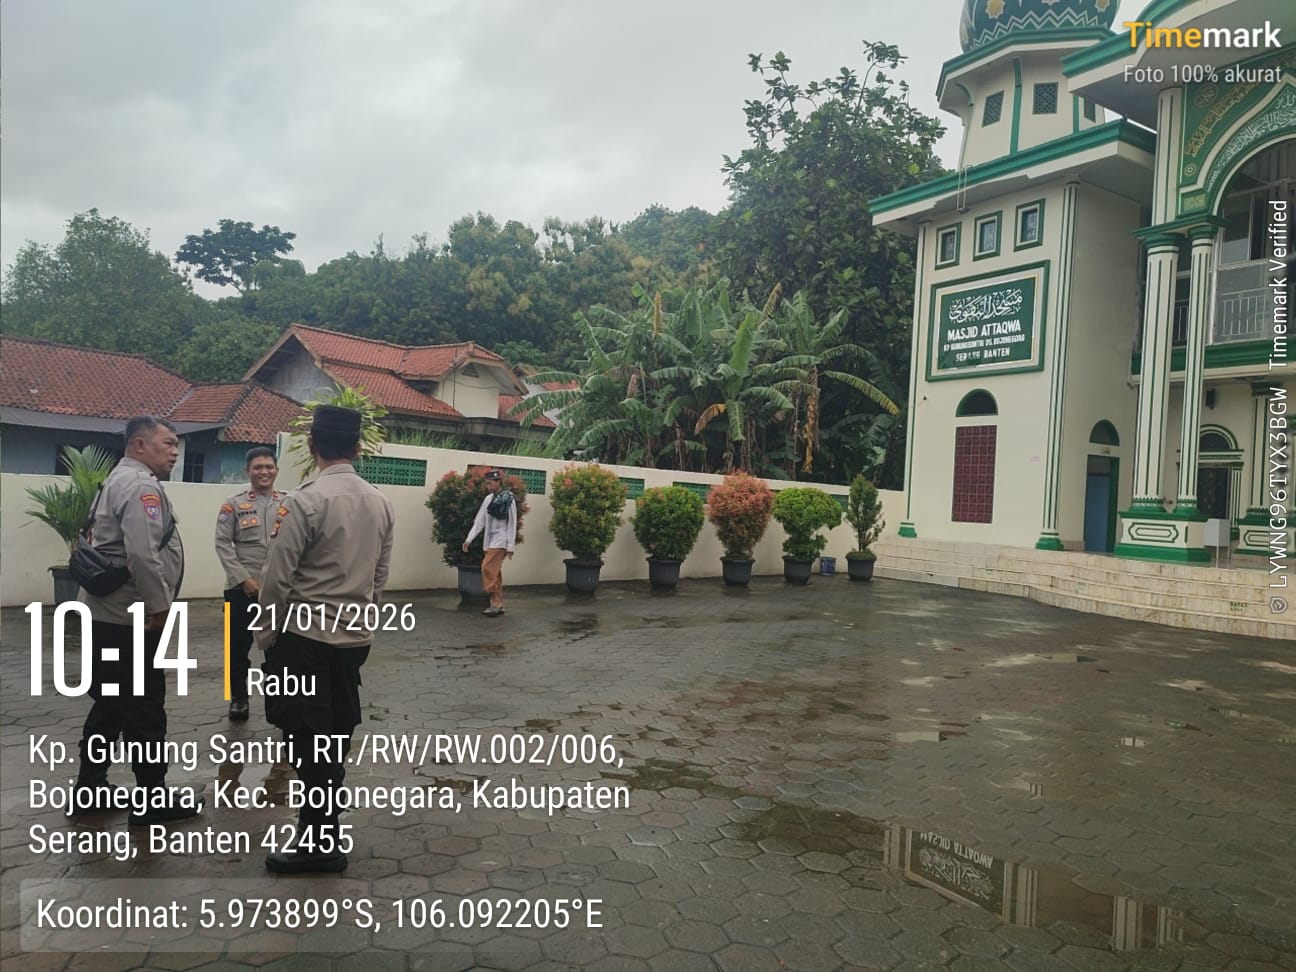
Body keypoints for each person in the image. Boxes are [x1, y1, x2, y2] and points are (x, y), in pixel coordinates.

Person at [255, 405, 395, 874]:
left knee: (307, 741)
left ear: (312, 446)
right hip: (353, 642)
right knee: (333, 738)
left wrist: (267, 637)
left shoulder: (304, 501)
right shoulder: (380, 502)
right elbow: (379, 575)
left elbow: (277, 578)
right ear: (357, 448)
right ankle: (322, 831)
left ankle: (319, 844)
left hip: (305, 640)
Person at [74, 415, 202, 825]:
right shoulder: (141, 486)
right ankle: (151, 800)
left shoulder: (118, 478)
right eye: (168, 443)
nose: (175, 452)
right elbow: (143, 555)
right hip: (131, 620)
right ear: (139, 445)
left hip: (107, 615)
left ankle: (89, 790)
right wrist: (160, 607)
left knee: (110, 704)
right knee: (145, 708)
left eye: (176, 444)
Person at [214, 447, 286, 721]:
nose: (264, 472)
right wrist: (243, 579)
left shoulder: (289, 503)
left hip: (277, 590)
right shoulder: (233, 504)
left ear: (276, 470)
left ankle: (278, 700)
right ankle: (238, 698)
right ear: (248, 471)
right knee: (236, 647)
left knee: (278, 649)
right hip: (240, 590)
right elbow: (222, 543)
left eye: (269, 467)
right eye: (258, 467)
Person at [463, 468, 516, 616]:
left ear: (498, 482)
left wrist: (510, 545)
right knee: (494, 572)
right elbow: (480, 521)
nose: (488, 485)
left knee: (487, 567)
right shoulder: (487, 499)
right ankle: (498, 603)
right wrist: (469, 538)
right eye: (486, 483)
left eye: (490, 483)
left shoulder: (508, 498)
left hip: (501, 540)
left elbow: (512, 522)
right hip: (490, 540)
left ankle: (495, 602)